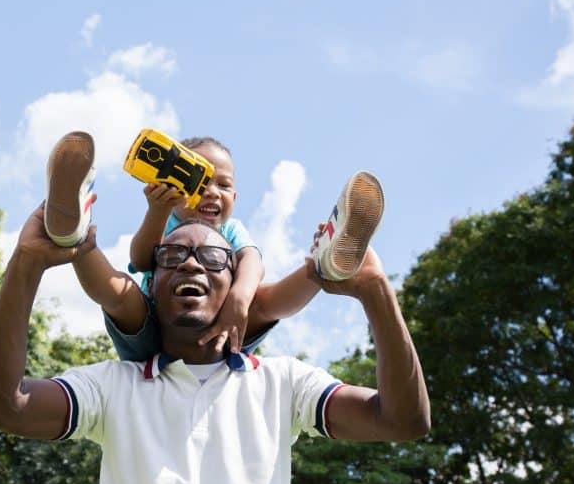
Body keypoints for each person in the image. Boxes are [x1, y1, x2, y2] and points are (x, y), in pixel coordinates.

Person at [0, 139, 431, 484]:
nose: (191, 265)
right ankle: (73, 230)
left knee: (278, 293)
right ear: (154, 280)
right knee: (113, 286)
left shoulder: (281, 385)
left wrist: (375, 291)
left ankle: (328, 263)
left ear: (236, 282)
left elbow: (402, 420)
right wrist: (29, 262)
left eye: (213, 257)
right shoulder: (113, 388)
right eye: (172, 257)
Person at [40, 130, 384, 360]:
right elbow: (142, 260)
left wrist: (239, 299)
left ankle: (323, 265)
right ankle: (75, 233)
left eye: (223, 185)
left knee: (264, 301)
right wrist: (157, 213)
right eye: (200, 181)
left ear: (234, 196)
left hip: (218, 332)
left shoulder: (231, 230)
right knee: (121, 293)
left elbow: (252, 261)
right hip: (150, 329)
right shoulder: (169, 220)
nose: (212, 192)